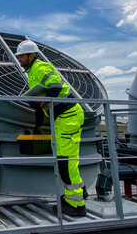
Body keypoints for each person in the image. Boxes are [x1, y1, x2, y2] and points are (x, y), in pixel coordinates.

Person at [15, 39, 87, 217]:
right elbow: (44, 97)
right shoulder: (32, 73)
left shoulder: (40, 67)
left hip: (68, 116)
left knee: (66, 161)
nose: (19, 59)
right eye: (18, 57)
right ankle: (79, 193)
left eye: (22, 56)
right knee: (66, 159)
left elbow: (55, 86)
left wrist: (45, 100)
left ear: (32, 56)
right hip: (63, 117)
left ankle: (76, 205)